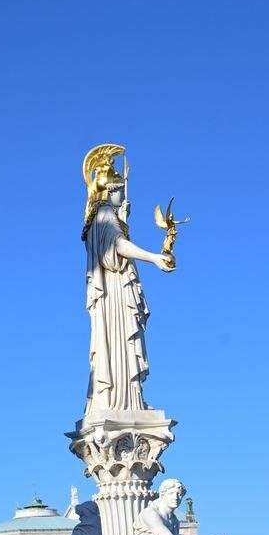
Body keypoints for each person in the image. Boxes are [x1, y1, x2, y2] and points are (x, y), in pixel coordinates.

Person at [83, 157, 174, 413]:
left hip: (112, 293)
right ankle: (119, 401)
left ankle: (127, 399)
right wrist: (154, 257)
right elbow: (118, 247)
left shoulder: (100, 219)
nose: (123, 195)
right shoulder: (104, 216)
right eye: (120, 189)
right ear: (109, 190)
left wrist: (123, 220)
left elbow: (115, 241)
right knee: (119, 343)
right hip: (114, 295)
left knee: (117, 345)